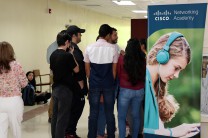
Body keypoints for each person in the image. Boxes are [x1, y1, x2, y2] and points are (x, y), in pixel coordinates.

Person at [144, 32, 200, 137]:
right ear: (162, 56)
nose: (177, 75)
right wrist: (173, 132)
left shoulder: (155, 86)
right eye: (176, 68)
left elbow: (158, 131)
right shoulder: (140, 82)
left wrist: (179, 133)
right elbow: (133, 130)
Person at [84, 24, 119, 138]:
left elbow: (87, 69)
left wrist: (92, 80)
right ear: (108, 35)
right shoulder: (113, 48)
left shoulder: (89, 47)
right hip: (108, 83)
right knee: (109, 112)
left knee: (93, 113)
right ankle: (111, 136)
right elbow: (114, 71)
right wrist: (109, 81)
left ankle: (91, 136)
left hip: (94, 83)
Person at [50, 30, 79, 138]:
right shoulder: (68, 56)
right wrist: (72, 55)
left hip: (56, 89)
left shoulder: (53, 55)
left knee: (55, 116)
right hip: (65, 90)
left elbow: (53, 70)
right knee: (63, 118)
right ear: (67, 42)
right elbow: (76, 69)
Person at [117, 38, 146, 138]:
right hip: (139, 91)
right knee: (136, 115)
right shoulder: (143, 59)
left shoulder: (122, 59)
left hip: (125, 90)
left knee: (121, 117)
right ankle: (135, 136)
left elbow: (119, 73)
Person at [0, 41, 28, 138]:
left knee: (1, 131)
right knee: (16, 131)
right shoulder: (16, 65)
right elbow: (24, 83)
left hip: (0, 101)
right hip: (14, 101)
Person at [97, 27, 120, 138]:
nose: (117, 37)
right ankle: (100, 132)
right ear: (108, 36)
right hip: (106, 83)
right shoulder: (103, 49)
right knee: (103, 108)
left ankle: (107, 129)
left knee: (109, 107)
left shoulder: (116, 47)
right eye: (115, 35)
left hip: (114, 83)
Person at [65, 25, 87, 138]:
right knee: (76, 108)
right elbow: (77, 70)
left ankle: (70, 131)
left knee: (73, 108)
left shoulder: (69, 48)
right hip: (76, 87)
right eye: (79, 33)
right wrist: (81, 84)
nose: (81, 35)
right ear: (74, 35)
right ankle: (70, 132)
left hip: (70, 86)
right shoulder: (74, 51)